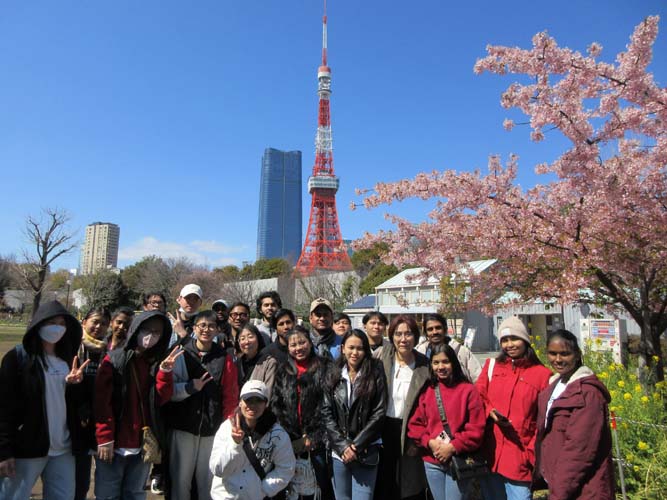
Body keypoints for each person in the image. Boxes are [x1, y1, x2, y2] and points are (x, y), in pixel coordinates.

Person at [0, 300, 88, 500]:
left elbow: (77, 405)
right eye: (51, 323)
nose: (57, 328)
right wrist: (4, 451)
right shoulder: (18, 358)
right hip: (28, 447)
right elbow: (4, 407)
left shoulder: (70, 360)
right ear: (38, 325)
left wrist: (76, 386)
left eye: (62, 323)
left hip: (63, 448)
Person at [94, 310, 182, 500]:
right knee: (108, 494)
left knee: (134, 493)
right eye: (147, 329)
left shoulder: (154, 362)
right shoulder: (114, 360)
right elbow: (102, 403)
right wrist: (104, 438)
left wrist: (165, 372)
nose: (151, 335)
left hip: (141, 444)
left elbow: (161, 399)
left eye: (157, 332)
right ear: (136, 329)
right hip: (114, 443)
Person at [165, 310, 239, 500]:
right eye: (202, 325)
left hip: (211, 429)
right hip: (183, 426)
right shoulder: (180, 351)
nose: (206, 329)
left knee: (209, 481)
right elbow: (168, 389)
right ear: (194, 328)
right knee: (180, 480)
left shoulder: (224, 358)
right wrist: (190, 387)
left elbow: (230, 395)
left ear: (217, 329)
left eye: (211, 326)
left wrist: (228, 425)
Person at [475, 316, 551, 500]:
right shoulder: (492, 366)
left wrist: (530, 454)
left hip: (520, 456)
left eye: (514, 339)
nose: (510, 345)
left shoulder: (543, 375)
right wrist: (490, 411)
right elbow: (478, 396)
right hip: (490, 452)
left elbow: (544, 419)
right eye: (505, 340)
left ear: (525, 340)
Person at [534, 329, 615, 499]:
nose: (558, 359)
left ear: (577, 354)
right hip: (562, 483)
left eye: (565, 354)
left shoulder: (587, 393)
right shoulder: (555, 384)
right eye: (552, 353)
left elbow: (579, 450)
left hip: (585, 489)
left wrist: (558, 493)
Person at [407, 344, 486, 500]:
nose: (440, 367)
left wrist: (453, 447)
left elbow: (476, 429)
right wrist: (429, 442)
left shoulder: (468, 390)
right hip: (432, 460)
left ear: (453, 363)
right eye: (436, 363)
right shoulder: (428, 390)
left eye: (445, 362)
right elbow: (415, 425)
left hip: (459, 459)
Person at [272, 326, 335, 500]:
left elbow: (327, 405)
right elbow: (277, 404)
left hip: (318, 440)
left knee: (321, 485)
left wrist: (314, 436)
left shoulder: (324, 366)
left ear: (310, 342)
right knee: (292, 488)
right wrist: (290, 436)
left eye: (302, 342)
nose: (298, 348)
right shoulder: (284, 369)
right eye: (294, 344)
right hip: (290, 440)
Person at [323, 330, 387, 500]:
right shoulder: (333, 373)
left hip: (366, 449)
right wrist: (343, 446)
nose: (355, 352)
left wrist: (356, 446)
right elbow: (326, 412)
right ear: (343, 348)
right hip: (339, 451)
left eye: (360, 348)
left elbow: (379, 413)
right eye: (351, 347)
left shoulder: (375, 373)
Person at [210, 380, 295, 500]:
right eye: (248, 400)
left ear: (266, 404)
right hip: (225, 496)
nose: (252, 406)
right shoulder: (227, 428)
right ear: (240, 403)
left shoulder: (278, 434)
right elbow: (217, 469)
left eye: (258, 401)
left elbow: (287, 468)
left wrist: (265, 488)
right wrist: (234, 444)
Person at [375, 315, 430, 500]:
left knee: (409, 483)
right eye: (398, 334)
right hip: (384, 428)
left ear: (415, 336)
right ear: (391, 336)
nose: (403, 339)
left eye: (408, 334)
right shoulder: (383, 357)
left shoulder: (424, 365)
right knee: (385, 480)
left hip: (411, 430)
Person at [74, 306, 112, 500]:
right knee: (79, 482)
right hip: (77, 424)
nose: (98, 326)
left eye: (104, 323)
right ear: (84, 322)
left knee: (105, 483)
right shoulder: (72, 348)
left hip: (102, 424)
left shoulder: (111, 351)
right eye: (94, 322)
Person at [416, 313, 481, 382]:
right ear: (426, 333)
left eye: (438, 328)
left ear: (445, 329)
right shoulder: (420, 353)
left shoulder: (461, 352)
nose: (434, 332)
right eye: (430, 329)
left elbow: (478, 378)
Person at [251, 308, 295, 397]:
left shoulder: (302, 350)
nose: (286, 327)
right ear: (275, 328)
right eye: (281, 324)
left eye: (288, 322)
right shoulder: (266, 354)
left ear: (294, 323)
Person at [236, 323, 267, 388]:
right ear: (238, 343)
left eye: (250, 337)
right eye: (242, 338)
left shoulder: (268, 362)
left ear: (258, 338)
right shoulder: (236, 364)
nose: (247, 342)